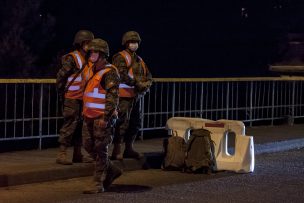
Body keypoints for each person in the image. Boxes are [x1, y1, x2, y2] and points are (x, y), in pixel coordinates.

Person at [82, 38, 122, 194]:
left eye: (95, 52)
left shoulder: (110, 72)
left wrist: (106, 118)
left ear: (103, 54)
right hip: (89, 117)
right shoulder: (92, 70)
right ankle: (112, 169)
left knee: (100, 149)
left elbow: (113, 97)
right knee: (88, 146)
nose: (91, 54)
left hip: (102, 118)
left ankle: (97, 183)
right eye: (91, 52)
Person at [111, 31, 152, 160]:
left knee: (135, 123)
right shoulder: (120, 57)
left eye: (135, 42)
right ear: (126, 43)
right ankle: (117, 150)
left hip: (136, 97)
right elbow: (121, 74)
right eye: (131, 42)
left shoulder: (139, 59)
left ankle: (129, 148)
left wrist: (147, 83)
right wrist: (137, 84)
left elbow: (148, 74)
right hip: (124, 97)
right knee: (122, 123)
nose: (134, 44)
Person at [56, 30, 94, 165]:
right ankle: (62, 154)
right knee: (69, 125)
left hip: (83, 99)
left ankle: (77, 154)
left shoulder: (89, 60)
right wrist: (62, 92)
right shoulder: (72, 58)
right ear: (80, 43)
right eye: (87, 43)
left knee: (80, 126)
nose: (90, 45)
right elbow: (61, 76)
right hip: (71, 98)